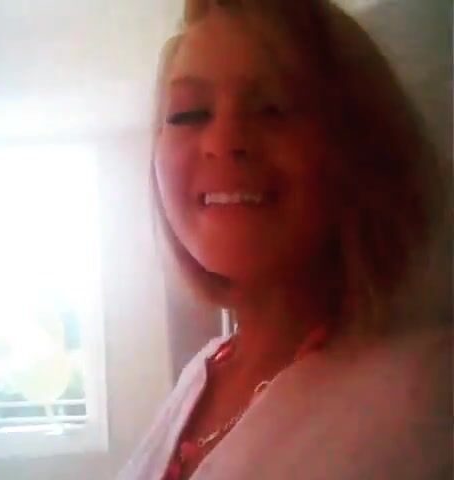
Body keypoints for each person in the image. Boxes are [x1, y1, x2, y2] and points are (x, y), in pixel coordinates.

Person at [118, 0, 450, 479]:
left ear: (362, 147)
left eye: (273, 108)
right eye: (190, 114)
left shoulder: (424, 399)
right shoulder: (200, 374)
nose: (223, 140)